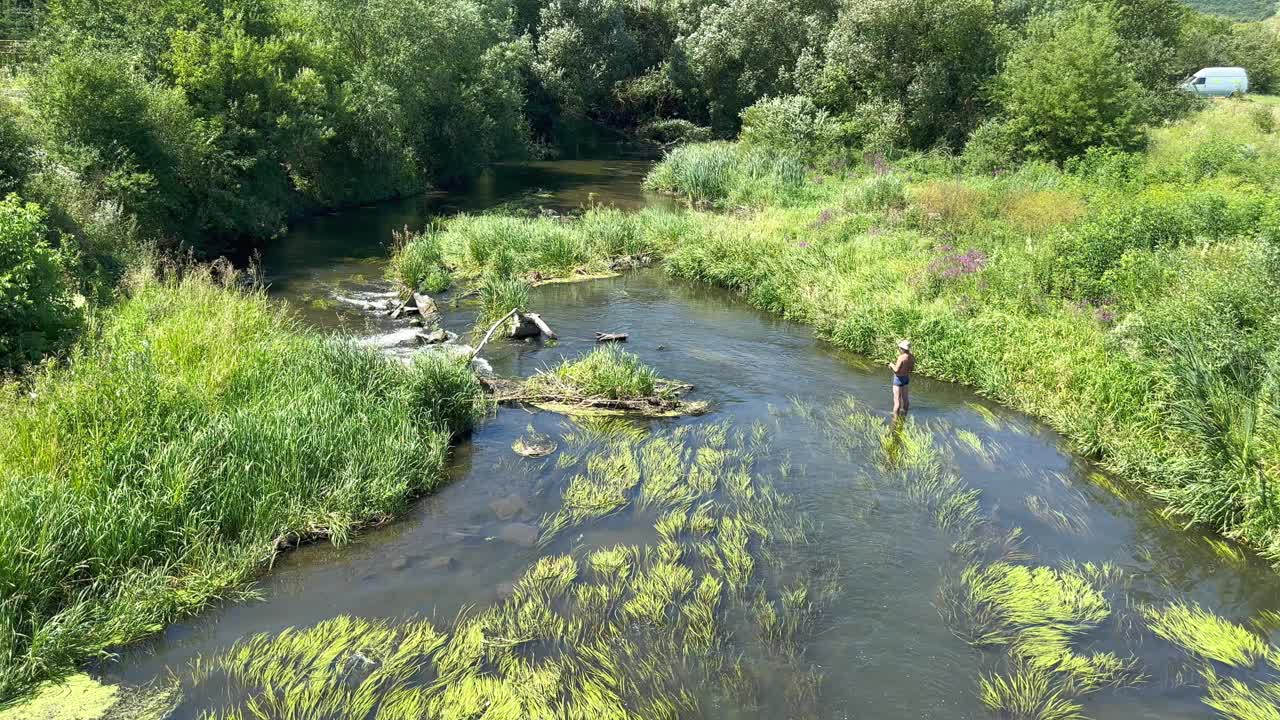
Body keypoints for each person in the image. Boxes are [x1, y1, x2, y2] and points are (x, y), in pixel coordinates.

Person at [888, 340, 914, 416]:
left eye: (900, 348)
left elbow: (896, 370)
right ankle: (905, 414)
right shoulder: (911, 357)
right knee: (905, 399)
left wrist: (891, 365)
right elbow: (911, 370)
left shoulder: (901, 358)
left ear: (902, 348)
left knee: (897, 401)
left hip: (898, 379)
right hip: (906, 378)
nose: (899, 349)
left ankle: (895, 418)